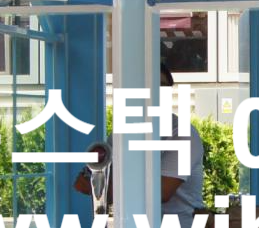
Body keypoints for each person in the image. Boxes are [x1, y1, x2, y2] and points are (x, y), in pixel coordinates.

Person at [76, 63, 206, 219]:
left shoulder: (182, 133)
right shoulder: (122, 132)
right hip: (131, 227)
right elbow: (83, 182)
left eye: (162, 86)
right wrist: (101, 186)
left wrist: (103, 188)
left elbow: (162, 192)